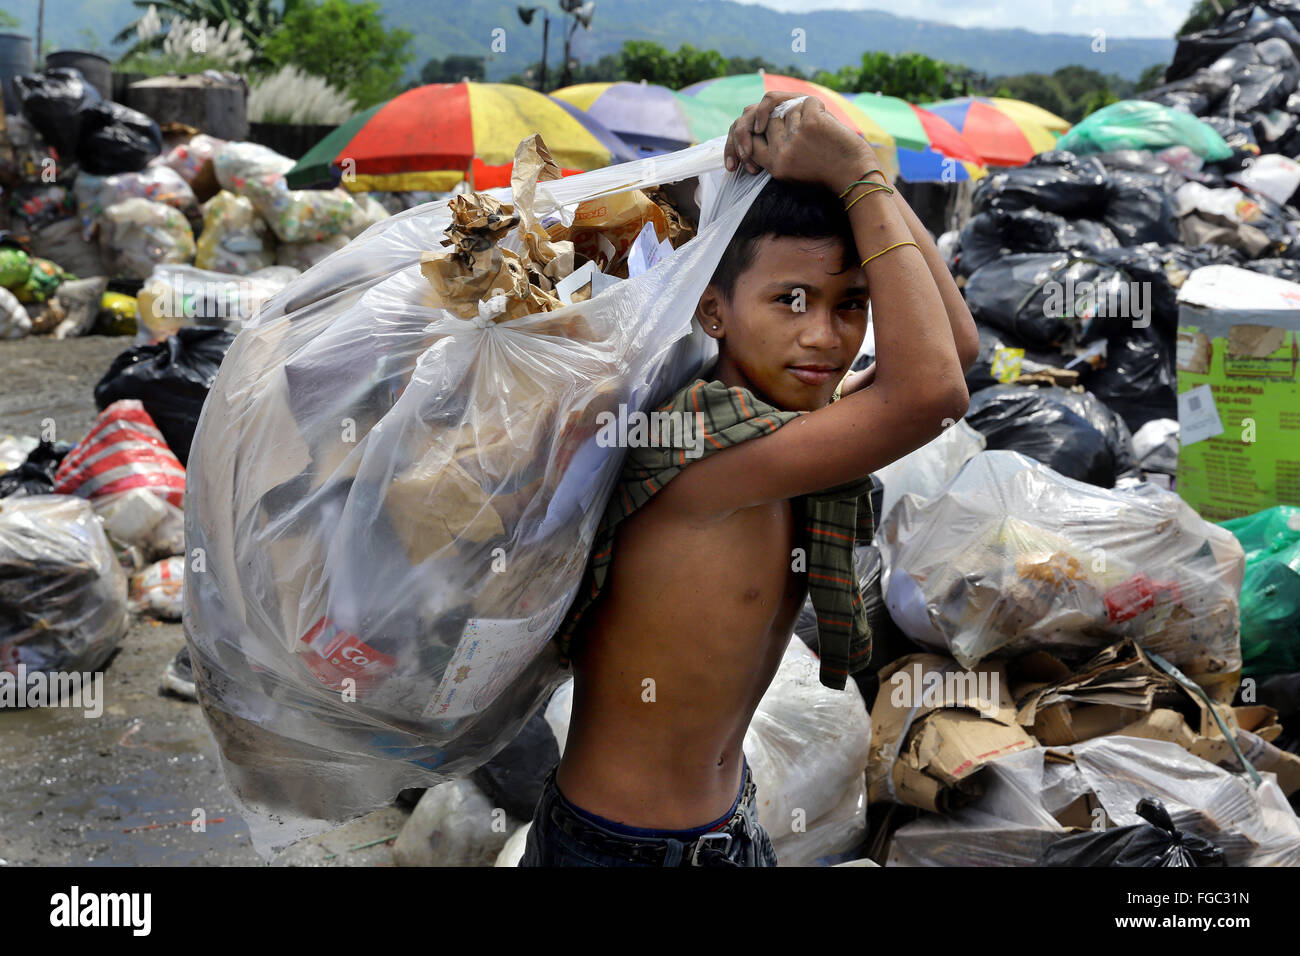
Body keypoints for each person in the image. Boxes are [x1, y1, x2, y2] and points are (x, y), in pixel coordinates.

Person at [519, 92, 979, 867]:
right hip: (625, 852)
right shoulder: (708, 444)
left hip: (718, 829)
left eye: (851, 305)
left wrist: (857, 176)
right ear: (713, 311)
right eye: (789, 301)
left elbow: (953, 346)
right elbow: (933, 393)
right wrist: (858, 173)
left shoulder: (781, 425)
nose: (823, 336)